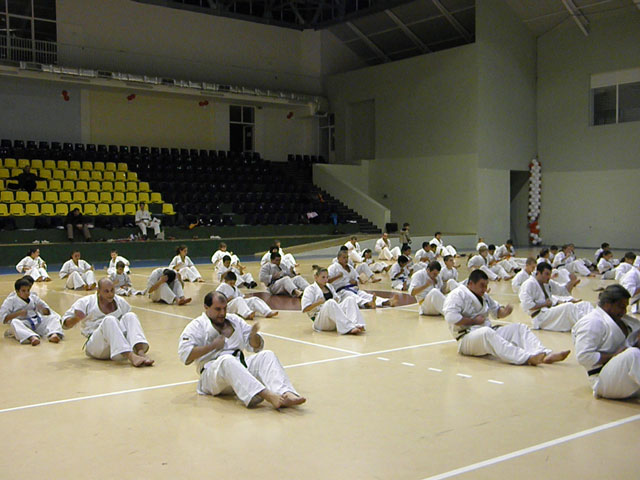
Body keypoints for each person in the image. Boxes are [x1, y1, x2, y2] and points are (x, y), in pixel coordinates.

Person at [178, 291, 306, 409]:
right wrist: (212, 346)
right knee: (226, 360)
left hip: (239, 368)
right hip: (212, 377)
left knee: (267, 355)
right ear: (206, 307)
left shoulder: (234, 320)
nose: (222, 313)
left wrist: (253, 336)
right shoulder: (196, 326)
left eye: (224, 308)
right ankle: (267, 395)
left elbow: (255, 346)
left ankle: (286, 393)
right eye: (217, 309)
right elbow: (186, 355)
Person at [442, 269, 570, 366]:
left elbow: (497, 312)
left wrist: (506, 311)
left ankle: (545, 353)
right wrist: (473, 321)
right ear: (470, 284)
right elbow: (451, 318)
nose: (484, 289)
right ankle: (526, 358)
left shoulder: (484, 296)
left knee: (519, 328)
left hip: (488, 332)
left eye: (486, 286)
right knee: (486, 332)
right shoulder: (457, 295)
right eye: (482, 285)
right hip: (466, 339)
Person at [62, 278, 153, 367]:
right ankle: (131, 356)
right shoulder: (86, 302)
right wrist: (76, 319)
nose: (110, 294)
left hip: (117, 343)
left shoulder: (120, 301)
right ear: (98, 291)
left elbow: (130, 326)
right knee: (109, 319)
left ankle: (140, 352)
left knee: (130, 316)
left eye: (112, 290)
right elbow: (65, 324)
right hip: (97, 346)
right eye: (106, 291)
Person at [572, 284, 640, 399]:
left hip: (626, 377)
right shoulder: (592, 322)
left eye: (625, 307)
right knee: (633, 354)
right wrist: (613, 356)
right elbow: (583, 356)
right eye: (621, 307)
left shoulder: (623, 320)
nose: (624, 311)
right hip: (603, 379)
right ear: (607, 304)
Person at [519, 262, 593, 331]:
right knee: (569, 307)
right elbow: (527, 305)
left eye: (549, 274)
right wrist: (544, 304)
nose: (549, 277)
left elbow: (564, 291)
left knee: (584, 304)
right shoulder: (529, 284)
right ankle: (588, 325)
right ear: (538, 273)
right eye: (546, 274)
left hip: (549, 312)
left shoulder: (548, 283)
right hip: (540, 317)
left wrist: (571, 282)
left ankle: (594, 320)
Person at [301, 268, 365, 335]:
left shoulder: (329, 286)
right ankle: (348, 328)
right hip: (320, 321)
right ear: (316, 277)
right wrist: (318, 303)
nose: (326, 280)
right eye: (323, 277)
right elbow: (305, 309)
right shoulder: (310, 289)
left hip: (332, 321)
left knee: (350, 299)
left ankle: (356, 324)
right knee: (330, 302)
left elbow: (337, 300)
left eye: (327, 277)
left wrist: (337, 300)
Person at [1, 277, 63, 345]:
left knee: (53, 317)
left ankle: (53, 334)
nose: (27, 293)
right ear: (17, 291)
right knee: (14, 322)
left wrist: (42, 309)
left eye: (28, 290)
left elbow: (47, 312)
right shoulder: (10, 301)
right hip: (24, 323)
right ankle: (32, 337)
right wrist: (18, 313)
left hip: (37, 321)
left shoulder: (34, 297)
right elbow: (4, 319)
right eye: (23, 291)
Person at [328, 250, 397, 308]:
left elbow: (357, 278)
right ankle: (368, 304)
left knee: (365, 295)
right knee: (354, 297)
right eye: (344, 257)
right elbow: (327, 281)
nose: (346, 259)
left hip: (353, 288)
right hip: (341, 291)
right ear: (338, 258)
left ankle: (386, 302)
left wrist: (355, 282)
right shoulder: (333, 267)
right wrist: (337, 276)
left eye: (347, 257)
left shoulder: (350, 267)